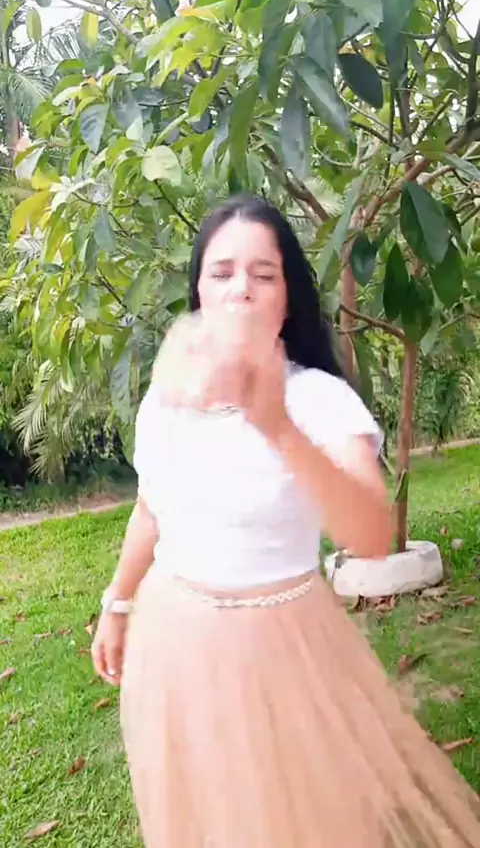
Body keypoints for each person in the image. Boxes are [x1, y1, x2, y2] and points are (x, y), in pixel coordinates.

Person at [92, 195, 480, 847]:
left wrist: (275, 425)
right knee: (204, 814)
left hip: (284, 653)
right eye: (221, 272)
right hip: (172, 640)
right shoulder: (168, 396)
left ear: (287, 298)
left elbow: (371, 535)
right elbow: (152, 507)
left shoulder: (319, 400)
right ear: (199, 292)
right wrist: (118, 601)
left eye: (263, 274)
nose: (240, 288)